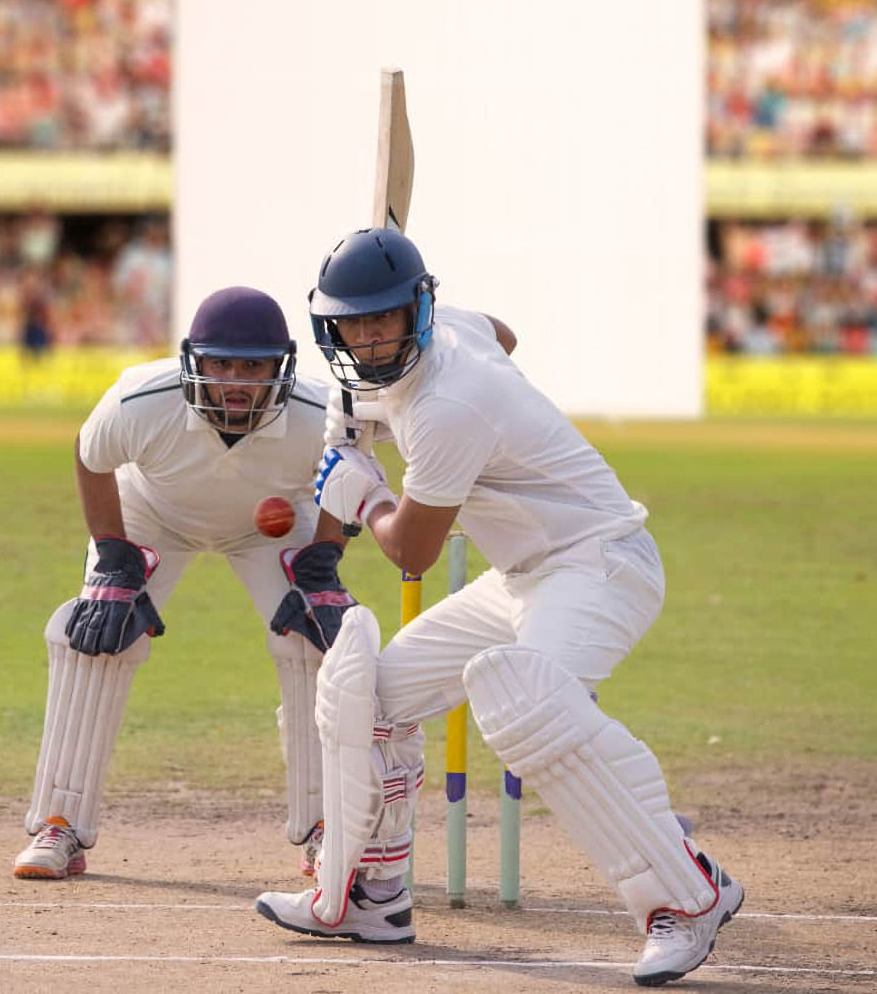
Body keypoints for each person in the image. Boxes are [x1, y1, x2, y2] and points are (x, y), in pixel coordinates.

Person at [251, 229, 744, 987]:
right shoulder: (448, 334)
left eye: (384, 318)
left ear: (417, 307)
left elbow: (410, 550)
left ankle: (685, 895)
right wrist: (368, 429)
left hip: (599, 563)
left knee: (527, 705)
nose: (371, 336)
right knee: (371, 697)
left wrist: (365, 491)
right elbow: (501, 335)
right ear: (332, 327)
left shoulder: (449, 408)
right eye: (355, 322)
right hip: (521, 575)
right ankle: (371, 898)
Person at [14, 286, 365, 880]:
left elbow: (350, 474)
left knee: (316, 640)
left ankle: (327, 827)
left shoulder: (322, 413)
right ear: (192, 359)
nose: (234, 379)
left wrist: (324, 560)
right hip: (152, 514)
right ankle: (60, 825)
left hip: (272, 519)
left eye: (252, 366)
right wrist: (113, 557)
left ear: (280, 365)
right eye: (220, 362)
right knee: (98, 638)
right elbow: (89, 456)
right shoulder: (139, 400)